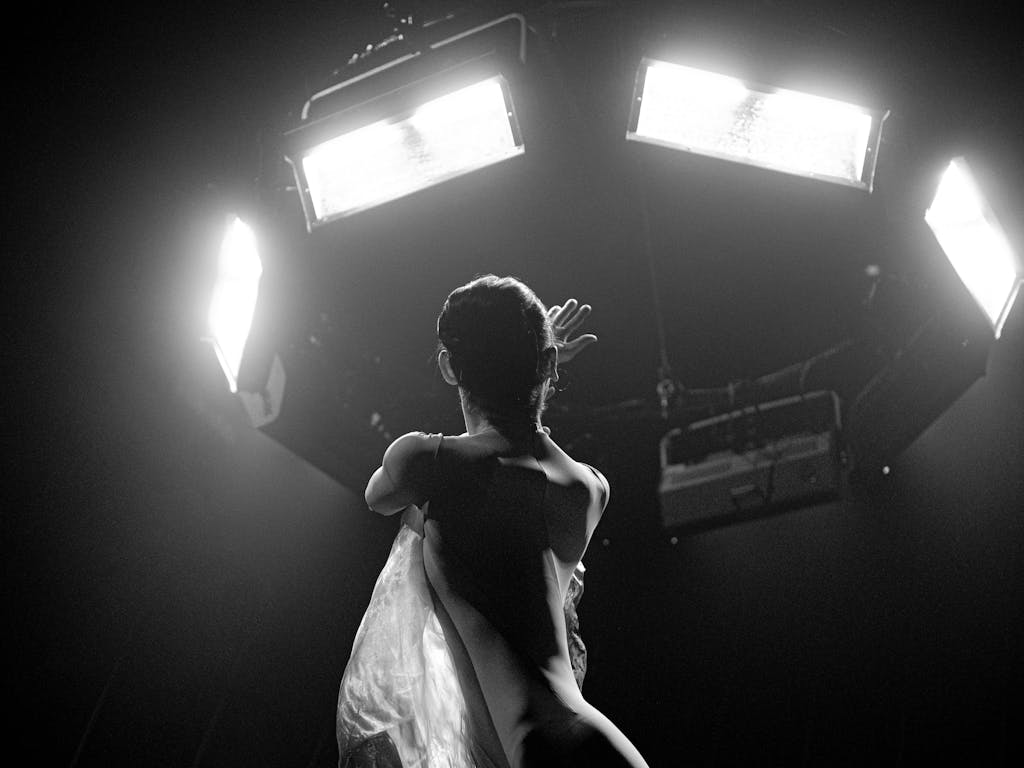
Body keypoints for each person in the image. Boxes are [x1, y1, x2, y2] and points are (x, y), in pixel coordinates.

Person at [338, 275, 649, 768]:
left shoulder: (428, 463)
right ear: (548, 362)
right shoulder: (590, 487)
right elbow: (524, 459)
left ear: (448, 367)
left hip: (542, 752)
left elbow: (378, 497)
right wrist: (537, 367)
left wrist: (533, 366)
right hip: (600, 746)